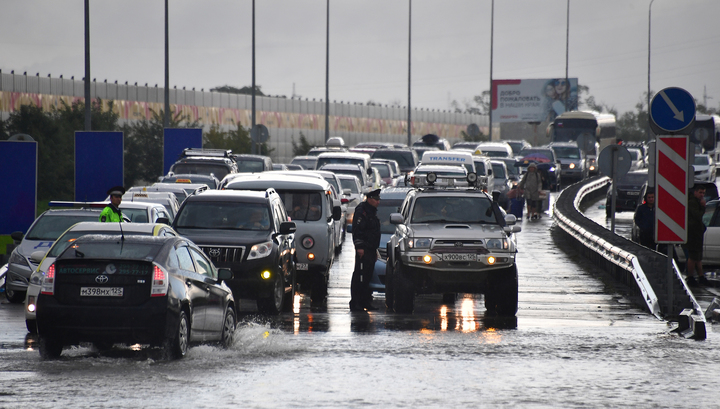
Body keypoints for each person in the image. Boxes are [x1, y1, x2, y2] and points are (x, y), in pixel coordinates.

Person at [349, 188, 382, 312]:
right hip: (364, 249)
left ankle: (365, 301)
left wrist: (374, 250)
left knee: (367, 276)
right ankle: (356, 302)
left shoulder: (371, 211)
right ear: (369, 199)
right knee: (360, 276)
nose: (378, 202)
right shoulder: (362, 211)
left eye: (379, 200)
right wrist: (360, 247)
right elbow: (358, 231)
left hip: (371, 249)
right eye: (376, 199)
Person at [684, 185, 708, 286]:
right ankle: (690, 277)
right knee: (693, 256)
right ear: (695, 192)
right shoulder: (693, 203)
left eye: (703, 193)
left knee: (698, 257)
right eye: (700, 192)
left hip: (697, 232)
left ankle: (700, 276)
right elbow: (697, 216)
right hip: (693, 233)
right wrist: (703, 207)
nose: (702, 195)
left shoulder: (696, 202)